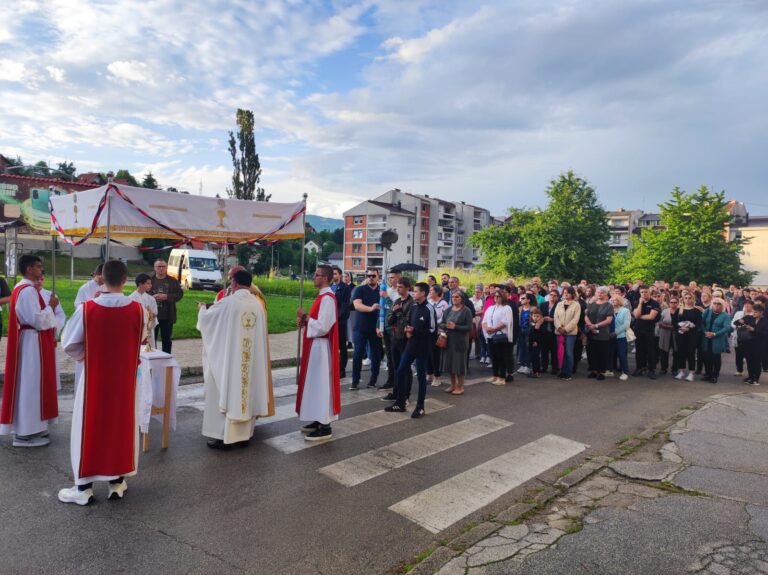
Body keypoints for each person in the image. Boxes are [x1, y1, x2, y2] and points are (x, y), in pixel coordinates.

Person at [58, 260, 145, 505]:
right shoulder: (138, 309)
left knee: (89, 425)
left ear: (102, 278)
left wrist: (86, 356)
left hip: (95, 376)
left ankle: (83, 487)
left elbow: (68, 343)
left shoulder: (87, 308)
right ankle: (116, 482)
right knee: (119, 425)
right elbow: (141, 338)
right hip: (124, 380)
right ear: (126, 280)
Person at [197, 270, 273, 448]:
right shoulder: (257, 303)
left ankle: (227, 438)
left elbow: (208, 321)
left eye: (231, 281)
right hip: (249, 359)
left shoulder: (229, 302)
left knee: (230, 391)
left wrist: (201, 309)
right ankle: (244, 436)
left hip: (233, 361)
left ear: (235, 283)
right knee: (247, 391)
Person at [1, 255, 60, 448]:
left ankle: (34, 426)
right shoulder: (27, 291)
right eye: (38, 267)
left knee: (33, 385)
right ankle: (25, 433)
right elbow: (36, 320)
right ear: (28, 269)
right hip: (31, 344)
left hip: (31, 342)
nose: (41, 271)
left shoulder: (24, 288)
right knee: (30, 386)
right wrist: (51, 307)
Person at [296, 266, 341, 441]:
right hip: (314, 347)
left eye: (317, 275)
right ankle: (317, 418)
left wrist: (306, 317)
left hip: (321, 348)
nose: (313, 277)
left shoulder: (328, 298)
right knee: (314, 384)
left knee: (321, 385)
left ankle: (325, 425)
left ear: (325, 278)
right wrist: (304, 323)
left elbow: (323, 326)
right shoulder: (322, 297)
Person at [384, 282, 435, 418]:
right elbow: (408, 323)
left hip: (423, 346)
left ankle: (420, 407)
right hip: (411, 344)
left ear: (423, 293)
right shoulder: (413, 307)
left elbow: (432, 329)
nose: (414, 293)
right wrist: (408, 329)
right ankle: (401, 402)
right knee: (400, 370)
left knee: (421, 376)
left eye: (416, 291)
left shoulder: (429, 308)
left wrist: (415, 331)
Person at [382, 277, 414, 403]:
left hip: (405, 338)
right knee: (395, 366)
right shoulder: (396, 301)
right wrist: (395, 313)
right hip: (394, 336)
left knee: (405, 367)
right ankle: (396, 391)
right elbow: (389, 319)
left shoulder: (411, 303)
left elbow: (408, 320)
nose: (399, 288)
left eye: (401, 287)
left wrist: (398, 312)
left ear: (407, 288)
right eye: (398, 286)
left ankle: (406, 394)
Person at [351, 268, 383, 390]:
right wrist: (371, 308)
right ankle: (355, 381)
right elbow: (357, 305)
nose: (370, 277)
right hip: (361, 327)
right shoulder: (360, 289)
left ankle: (373, 380)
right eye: (368, 275)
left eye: (373, 276)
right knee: (358, 354)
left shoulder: (381, 291)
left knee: (376, 355)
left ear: (378, 276)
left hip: (376, 329)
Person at [440, 291, 474, 395]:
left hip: (460, 342)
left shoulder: (466, 310)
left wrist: (456, 327)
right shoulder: (448, 310)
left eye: (457, 297)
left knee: (459, 365)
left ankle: (460, 387)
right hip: (448, 341)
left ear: (462, 298)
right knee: (450, 364)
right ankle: (453, 385)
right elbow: (441, 323)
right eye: (453, 297)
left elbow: (469, 327)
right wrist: (446, 326)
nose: (454, 298)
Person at [149, 258, 183, 354]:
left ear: (166, 267)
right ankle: (152, 358)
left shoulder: (173, 281)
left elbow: (179, 295)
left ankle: (166, 360)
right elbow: (143, 294)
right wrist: (152, 297)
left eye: (163, 266)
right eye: (158, 266)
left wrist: (166, 296)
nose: (161, 268)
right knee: (151, 340)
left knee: (167, 340)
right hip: (152, 316)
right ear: (154, 268)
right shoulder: (150, 280)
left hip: (167, 316)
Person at [482, 291, 514, 386]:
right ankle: (495, 375)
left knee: (501, 357)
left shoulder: (506, 308)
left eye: (498, 296)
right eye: (495, 296)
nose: (496, 297)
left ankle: (502, 377)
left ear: (503, 297)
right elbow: (484, 320)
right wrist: (487, 328)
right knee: (494, 357)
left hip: (501, 336)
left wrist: (494, 329)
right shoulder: (490, 308)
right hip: (490, 335)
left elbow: (505, 322)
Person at [699, 297, 732, 384]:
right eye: (714, 303)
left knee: (716, 358)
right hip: (705, 338)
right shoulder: (707, 311)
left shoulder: (725, 315)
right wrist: (705, 332)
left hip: (717, 339)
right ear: (712, 304)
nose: (716, 305)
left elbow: (727, 328)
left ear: (723, 305)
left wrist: (715, 334)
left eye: (719, 304)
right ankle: (708, 374)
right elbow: (701, 322)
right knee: (706, 357)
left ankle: (715, 375)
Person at [584, 286, 614, 380]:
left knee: (602, 353)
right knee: (591, 352)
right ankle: (593, 370)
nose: (599, 294)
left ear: (606, 294)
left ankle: (601, 372)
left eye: (602, 292)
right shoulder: (592, 304)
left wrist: (596, 326)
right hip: (591, 332)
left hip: (602, 333)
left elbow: (609, 320)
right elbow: (586, 316)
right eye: (598, 292)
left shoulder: (609, 306)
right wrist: (590, 325)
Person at [632, 285, 660, 379]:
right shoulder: (637, 302)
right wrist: (640, 303)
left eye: (646, 292)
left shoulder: (654, 303)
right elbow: (636, 315)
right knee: (639, 350)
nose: (644, 294)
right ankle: (639, 368)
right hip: (638, 330)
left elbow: (651, 317)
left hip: (649, 331)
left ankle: (651, 370)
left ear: (649, 292)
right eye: (642, 292)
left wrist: (640, 316)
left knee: (650, 351)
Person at [673, 292, 702, 381]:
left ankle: (691, 373)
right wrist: (680, 327)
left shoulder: (697, 310)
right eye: (686, 298)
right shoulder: (679, 310)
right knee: (680, 353)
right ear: (683, 299)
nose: (688, 300)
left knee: (691, 353)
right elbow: (674, 322)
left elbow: (699, 323)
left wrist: (690, 328)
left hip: (692, 335)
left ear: (693, 299)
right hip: (681, 334)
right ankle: (681, 371)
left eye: (690, 298)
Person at [554, 286, 580, 381]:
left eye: (567, 293)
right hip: (559, 332)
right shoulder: (559, 304)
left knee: (568, 353)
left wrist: (566, 329)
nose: (565, 294)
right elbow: (555, 317)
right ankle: (562, 371)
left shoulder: (576, 305)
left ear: (572, 294)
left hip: (570, 333)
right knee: (561, 352)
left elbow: (575, 319)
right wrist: (559, 328)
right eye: (564, 292)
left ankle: (568, 372)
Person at [331, 266, 352, 379]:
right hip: (329, 320)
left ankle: (342, 369)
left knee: (341, 345)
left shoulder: (345, 288)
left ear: (339, 274)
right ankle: (332, 367)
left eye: (335, 273)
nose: (333, 276)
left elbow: (344, 304)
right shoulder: (329, 287)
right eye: (332, 274)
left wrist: (337, 318)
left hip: (340, 321)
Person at [129, 273, 159, 350]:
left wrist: (150, 314)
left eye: (151, 283)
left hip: (148, 328)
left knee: (149, 347)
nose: (150, 285)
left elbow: (155, 313)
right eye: (148, 283)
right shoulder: (131, 298)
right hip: (137, 328)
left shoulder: (151, 298)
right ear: (140, 284)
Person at [427, 284, 449, 386]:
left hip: (438, 331)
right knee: (428, 353)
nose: (430, 292)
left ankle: (437, 376)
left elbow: (444, 318)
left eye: (431, 290)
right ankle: (430, 373)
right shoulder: (429, 302)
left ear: (437, 292)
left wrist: (435, 324)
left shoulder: (443, 303)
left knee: (436, 355)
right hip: (429, 331)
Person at [743, 303, 767, 386]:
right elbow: (738, 322)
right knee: (749, 361)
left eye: (755, 312)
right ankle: (750, 376)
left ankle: (756, 378)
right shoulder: (750, 318)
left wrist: (753, 330)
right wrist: (741, 322)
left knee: (757, 362)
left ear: (761, 312)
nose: (753, 314)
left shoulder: (765, 321)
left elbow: (765, 333)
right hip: (749, 344)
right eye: (753, 312)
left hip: (760, 345)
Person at [539, 289, 560, 375]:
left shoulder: (559, 305)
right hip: (544, 331)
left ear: (557, 297)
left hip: (553, 331)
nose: (552, 297)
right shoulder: (543, 304)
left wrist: (552, 319)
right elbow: (539, 315)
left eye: (554, 295)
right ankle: (544, 367)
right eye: (551, 295)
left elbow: (561, 318)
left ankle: (555, 368)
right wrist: (542, 318)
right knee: (544, 350)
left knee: (554, 351)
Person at [732, 299, 754, 377]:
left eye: (749, 305)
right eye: (745, 305)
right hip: (738, 336)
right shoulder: (739, 313)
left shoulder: (753, 314)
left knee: (749, 355)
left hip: (749, 338)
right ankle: (739, 370)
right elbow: (733, 322)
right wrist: (736, 325)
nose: (747, 307)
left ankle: (751, 373)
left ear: (752, 306)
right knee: (738, 354)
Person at [611, 295, 631, 381]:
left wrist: (616, 332)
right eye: (611, 300)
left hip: (621, 336)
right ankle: (611, 369)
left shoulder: (625, 311)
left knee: (622, 354)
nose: (612, 302)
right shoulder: (610, 311)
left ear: (619, 301)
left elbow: (626, 325)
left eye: (614, 300)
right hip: (610, 336)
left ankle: (625, 372)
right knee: (611, 353)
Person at [470, 286, 487, 362]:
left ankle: (478, 354)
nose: (477, 293)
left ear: (481, 293)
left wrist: (474, 313)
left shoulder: (483, 301)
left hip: (479, 320)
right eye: (475, 292)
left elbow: (483, 311)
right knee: (470, 336)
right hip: (471, 320)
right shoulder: (470, 300)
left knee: (478, 337)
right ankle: (469, 353)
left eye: (479, 292)